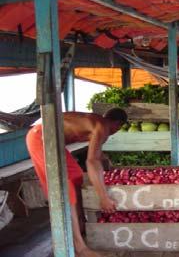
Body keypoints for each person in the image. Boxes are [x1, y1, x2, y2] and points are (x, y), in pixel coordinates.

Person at [26, 108, 127, 257]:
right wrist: (104, 198)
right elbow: (92, 161)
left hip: (48, 138)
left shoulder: (97, 122)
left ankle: (79, 224)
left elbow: (98, 155)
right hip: (40, 138)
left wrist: (107, 165)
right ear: (118, 125)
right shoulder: (103, 127)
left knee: (76, 176)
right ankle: (80, 248)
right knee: (65, 188)